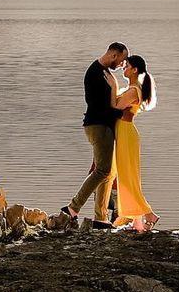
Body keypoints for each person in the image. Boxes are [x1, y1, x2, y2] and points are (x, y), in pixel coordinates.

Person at [63, 41, 128, 228]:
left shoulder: (104, 72)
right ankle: (73, 207)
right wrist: (120, 113)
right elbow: (99, 107)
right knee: (102, 170)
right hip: (98, 126)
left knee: (109, 172)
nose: (122, 65)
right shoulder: (95, 73)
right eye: (121, 60)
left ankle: (101, 218)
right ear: (114, 55)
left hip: (103, 126)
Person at [109, 54, 159, 230]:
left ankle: (149, 213)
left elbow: (115, 106)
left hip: (126, 133)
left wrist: (112, 84)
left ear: (135, 69)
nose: (124, 68)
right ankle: (137, 221)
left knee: (128, 176)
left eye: (127, 65)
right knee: (127, 177)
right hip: (124, 132)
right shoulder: (132, 87)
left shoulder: (132, 91)